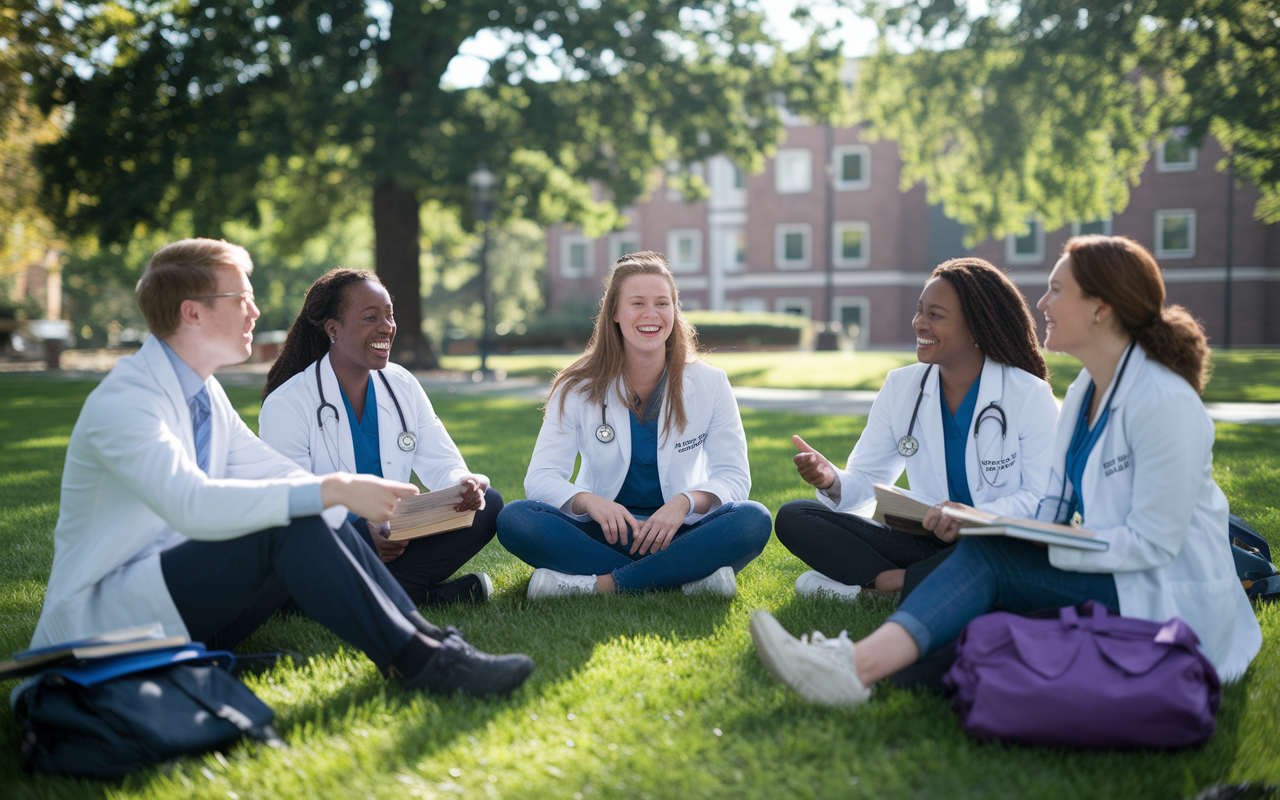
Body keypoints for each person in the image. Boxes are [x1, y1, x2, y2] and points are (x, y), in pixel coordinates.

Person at [750, 235, 1262, 706]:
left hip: (1164, 592)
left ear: (1101, 308)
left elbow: (1152, 547)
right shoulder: (1086, 389)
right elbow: (1054, 507)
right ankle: (856, 672)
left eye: (1057, 290)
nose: (1041, 303)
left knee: (990, 566)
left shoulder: (1163, 402)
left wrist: (1007, 539)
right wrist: (1003, 533)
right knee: (975, 637)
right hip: (1099, 570)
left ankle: (852, 665)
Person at [30, 239, 533, 696]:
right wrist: (338, 491)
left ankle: (428, 642)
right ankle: (426, 662)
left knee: (308, 512)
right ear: (193, 313)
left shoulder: (204, 393)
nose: (255, 311)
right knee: (293, 523)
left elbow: (276, 473)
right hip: (101, 625)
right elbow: (192, 504)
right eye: (241, 299)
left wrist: (350, 496)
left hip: (168, 603)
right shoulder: (129, 400)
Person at [775, 258, 1059, 601]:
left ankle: (886, 585)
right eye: (919, 311)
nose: (919, 324)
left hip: (996, 540)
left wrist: (977, 517)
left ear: (976, 327)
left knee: (1009, 556)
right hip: (928, 541)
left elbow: (1043, 500)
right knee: (796, 516)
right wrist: (831, 481)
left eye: (935, 315)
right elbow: (867, 479)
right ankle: (919, 580)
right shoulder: (901, 386)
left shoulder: (1028, 394)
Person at [496, 251, 772, 598]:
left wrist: (684, 503)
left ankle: (603, 585)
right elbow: (541, 478)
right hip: (603, 532)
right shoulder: (575, 385)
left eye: (662, 303)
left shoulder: (711, 383)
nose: (651, 315)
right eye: (637, 303)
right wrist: (590, 503)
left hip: (680, 531)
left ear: (675, 311)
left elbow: (734, 478)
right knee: (515, 519)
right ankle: (685, 576)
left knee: (754, 519)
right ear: (614, 312)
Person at [259, 269, 497, 607]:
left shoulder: (402, 384)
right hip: (333, 536)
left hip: (396, 531)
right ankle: (415, 595)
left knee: (489, 506)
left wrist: (465, 483)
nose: (387, 327)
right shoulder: (287, 403)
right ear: (333, 329)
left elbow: (442, 462)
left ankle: (379, 594)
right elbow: (292, 503)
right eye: (371, 317)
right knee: (332, 530)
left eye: (389, 315)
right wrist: (360, 527)